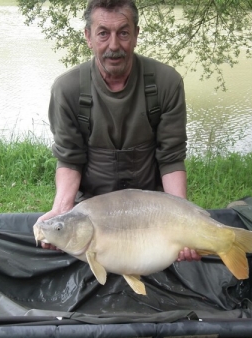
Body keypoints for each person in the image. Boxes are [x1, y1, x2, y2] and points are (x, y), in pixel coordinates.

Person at [38, 0, 201, 262]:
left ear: (136, 35)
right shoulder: (67, 89)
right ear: (88, 37)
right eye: (103, 33)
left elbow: (171, 158)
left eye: (123, 33)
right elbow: (70, 158)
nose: (114, 45)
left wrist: (183, 218)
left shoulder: (166, 83)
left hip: (151, 210)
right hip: (92, 209)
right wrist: (61, 210)